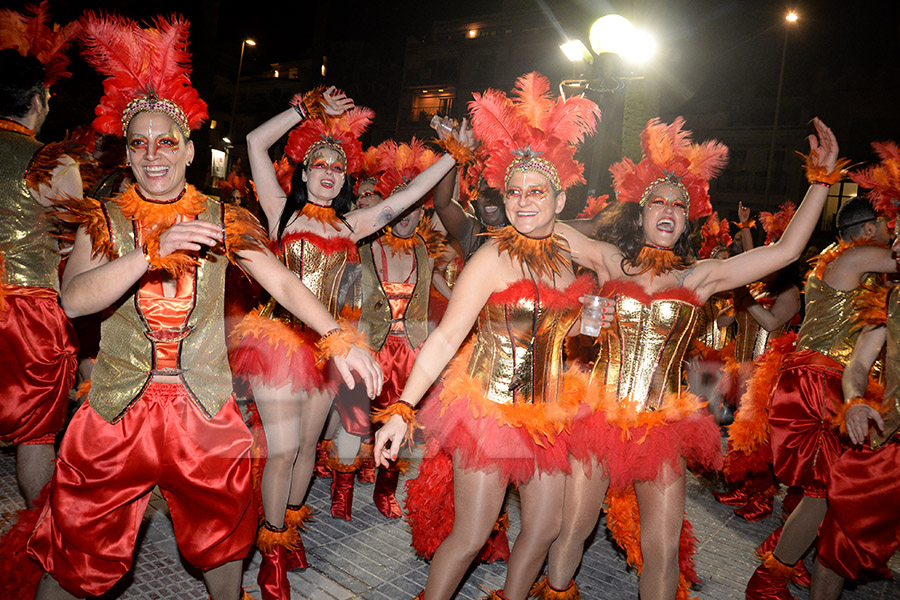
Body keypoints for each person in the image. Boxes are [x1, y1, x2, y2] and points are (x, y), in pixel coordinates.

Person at [26, 14, 382, 600]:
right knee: (74, 555)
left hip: (204, 409)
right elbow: (73, 299)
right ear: (128, 151)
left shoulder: (223, 218)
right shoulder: (105, 217)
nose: (152, 155)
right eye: (138, 143)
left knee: (224, 544)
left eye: (166, 141)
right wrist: (149, 252)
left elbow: (288, 286)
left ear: (189, 149)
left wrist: (338, 338)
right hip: (116, 413)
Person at [535, 116, 842, 600]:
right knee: (572, 530)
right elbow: (544, 225)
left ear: (685, 222)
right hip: (598, 418)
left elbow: (785, 252)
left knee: (664, 547)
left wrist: (822, 183)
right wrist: (530, 168)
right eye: (658, 200)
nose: (669, 210)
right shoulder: (611, 262)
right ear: (641, 212)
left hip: (661, 425)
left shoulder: (700, 277)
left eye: (679, 206)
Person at [229, 88, 474, 598]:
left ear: (345, 179)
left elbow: (408, 198)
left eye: (336, 168)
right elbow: (255, 142)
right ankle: (270, 551)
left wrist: (455, 156)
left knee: (306, 451)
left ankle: (289, 524)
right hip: (276, 340)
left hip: (331, 350)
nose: (326, 172)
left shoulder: (352, 224)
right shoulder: (279, 212)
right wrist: (306, 110)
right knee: (284, 450)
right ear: (302, 172)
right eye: (316, 163)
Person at [375, 72, 602, 600]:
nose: (523, 202)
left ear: (560, 199)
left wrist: (597, 326)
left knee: (544, 528)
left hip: (549, 417)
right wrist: (404, 409)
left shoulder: (570, 261)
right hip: (488, 414)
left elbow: (579, 335)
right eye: (514, 192)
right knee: (472, 535)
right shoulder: (491, 257)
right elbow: (448, 336)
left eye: (537, 192)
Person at [744, 192, 898, 599]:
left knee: (827, 492)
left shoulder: (839, 259)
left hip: (820, 379)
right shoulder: (856, 257)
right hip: (824, 382)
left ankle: (784, 559)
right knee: (826, 493)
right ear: (867, 231)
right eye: (887, 226)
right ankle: (770, 579)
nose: (891, 232)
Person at [329, 139, 449, 520]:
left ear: (423, 215)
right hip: (367, 348)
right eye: (400, 208)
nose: (406, 216)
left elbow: (454, 294)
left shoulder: (427, 254)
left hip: (410, 353)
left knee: (402, 422)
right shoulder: (362, 248)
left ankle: (385, 490)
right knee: (353, 423)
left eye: (415, 210)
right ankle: (342, 489)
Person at [0, 6, 80, 509]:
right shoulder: (52, 162)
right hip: (28, 311)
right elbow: (74, 243)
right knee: (35, 432)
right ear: (36, 101)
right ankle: (40, 545)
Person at [812, 232, 900, 599]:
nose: (895, 247)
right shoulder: (891, 298)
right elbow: (859, 363)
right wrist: (855, 400)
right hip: (890, 443)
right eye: (897, 235)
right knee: (838, 538)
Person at [715, 202, 802, 523]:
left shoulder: (790, 291)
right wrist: (745, 227)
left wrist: (745, 298)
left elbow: (769, 323)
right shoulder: (759, 286)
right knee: (742, 433)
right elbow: (728, 320)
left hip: (767, 374)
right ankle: (742, 487)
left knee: (760, 439)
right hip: (742, 370)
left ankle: (762, 499)